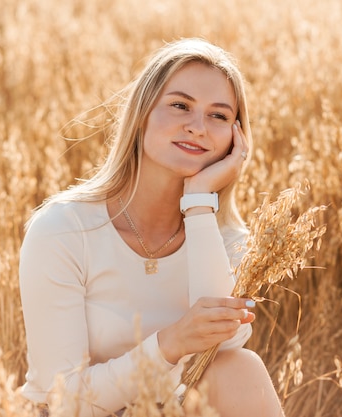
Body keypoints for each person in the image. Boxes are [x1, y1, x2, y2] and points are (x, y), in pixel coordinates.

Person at [19, 38, 285, 417]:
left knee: (240, 368)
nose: (197, 127)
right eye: (180, 106)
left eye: (219, 116)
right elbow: (62, 401)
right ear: (142, 114)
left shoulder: (224, 238)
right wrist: (170, 344)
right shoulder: (63, 229)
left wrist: (198, 201)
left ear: (235, 139)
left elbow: (225, 346)